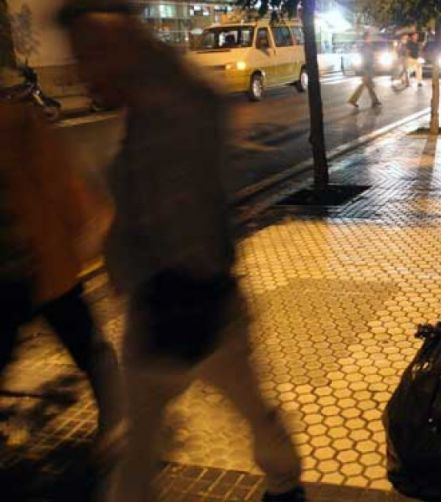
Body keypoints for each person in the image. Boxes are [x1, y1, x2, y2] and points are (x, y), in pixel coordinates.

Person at [57, 2, 304, 502]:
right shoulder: (148, 102)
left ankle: (285, 482)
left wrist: (180, 297)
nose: (82, 71)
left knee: (244, 408)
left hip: (197, 305)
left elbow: (189, 215)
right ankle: (284, 480)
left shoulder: (178, 105)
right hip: (163, 305)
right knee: (146, 442)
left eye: (90, 55)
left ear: (122, 42)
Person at [0, 102, 124, 451]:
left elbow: (62, 183)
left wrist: (90, 236)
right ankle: (117, 419)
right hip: (29, 269)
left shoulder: (20, 122)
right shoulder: (19, 119)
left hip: (39, 265)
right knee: (87, 345)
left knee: (87, 345)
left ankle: (117, 419)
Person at [348, 31, 381, 108]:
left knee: (369, 86)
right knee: (366, 85)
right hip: (366, 69)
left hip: (368, 69)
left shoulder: (368, 46)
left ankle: (375, 101)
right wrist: (367, 69)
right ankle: (353, 100)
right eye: (369, 37)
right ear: (366, 38)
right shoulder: (365, 47)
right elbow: (366, 59)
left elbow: (370, 57)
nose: (371, 38)